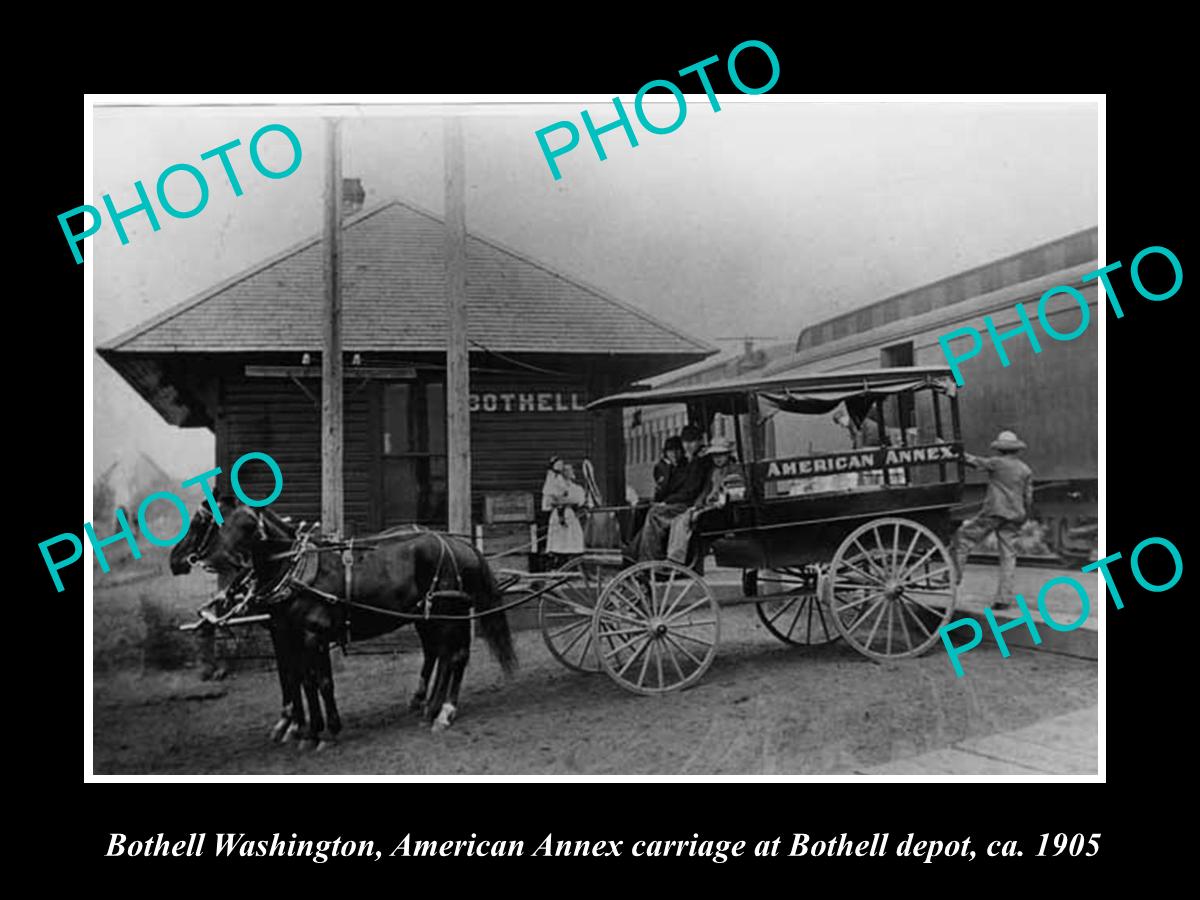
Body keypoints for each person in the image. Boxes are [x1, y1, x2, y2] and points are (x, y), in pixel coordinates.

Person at [954, 429, 1035, 610]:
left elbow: (972, 461)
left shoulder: (996, 463)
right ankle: (1003, 599)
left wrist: (954, 450)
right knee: (1008, 556)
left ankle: (954, 577)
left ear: (1000, 449)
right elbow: (1028, 497)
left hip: (994, 513)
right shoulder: (1025, 469)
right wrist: (1024, 516)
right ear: (1016, 449)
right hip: (1015, 515)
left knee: (963, 537)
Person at [635, 425, 710, 561]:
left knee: (654, 513)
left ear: (700, 441)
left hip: (689, 504)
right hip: (683, 501)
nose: (688, 446)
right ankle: (635, 553)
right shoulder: (691, 461)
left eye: (692, 442)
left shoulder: (701, 461)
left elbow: (691, 491)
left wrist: (667, 502)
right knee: (645, 509)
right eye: (686, 442)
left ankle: (650, 558)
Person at [666, 438, 737, 565]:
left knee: (689, 519)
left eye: (721, 455)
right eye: (715, 456)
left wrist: (718, 499)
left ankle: (678, 557)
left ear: (728, 455)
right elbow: (705, 490)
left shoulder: (733, 471)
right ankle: (676, 556)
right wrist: (698, 504)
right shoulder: (713, 472)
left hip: (724, 509)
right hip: (709, 505)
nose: (718, 459)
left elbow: (733, 494)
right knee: (679, 519)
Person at [543, 460, 588, 567]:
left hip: (570, 514)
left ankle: (572, 565)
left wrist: (565, 500)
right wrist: (560, 501)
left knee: (572, 539)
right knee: (558, 540)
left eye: (570, 470)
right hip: (558, 516)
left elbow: (579, 501)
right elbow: (549, 501)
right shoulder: (554, 485)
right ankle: (558, 564)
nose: (569, 472)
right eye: (566, 470)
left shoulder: (576, 488)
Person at [653, 437, 684, 501]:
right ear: (666, 452)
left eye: (677, 450)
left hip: (679, 501)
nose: (674, 454)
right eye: (670, 451)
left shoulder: (687, 466)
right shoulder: (661, 467)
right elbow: (661, 488)